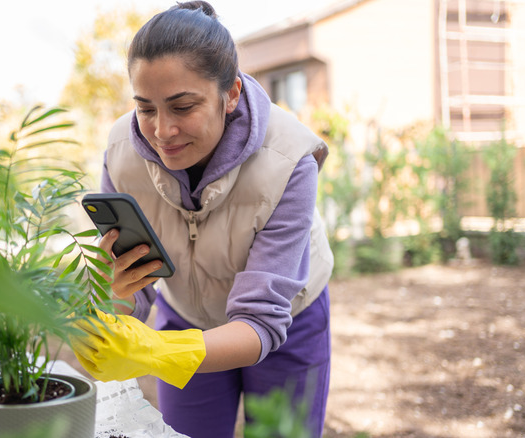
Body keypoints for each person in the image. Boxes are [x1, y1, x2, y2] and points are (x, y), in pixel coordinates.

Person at [71, 2, 334, 437]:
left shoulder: (290, 161)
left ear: (230, 94)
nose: (161, 131)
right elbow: (131, 288)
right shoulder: (121, 155)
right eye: (146, 107)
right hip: (185, 315)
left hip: (287, 320)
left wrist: (158, 349)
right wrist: (108, 309)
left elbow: (260, 322)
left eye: (182, 106)